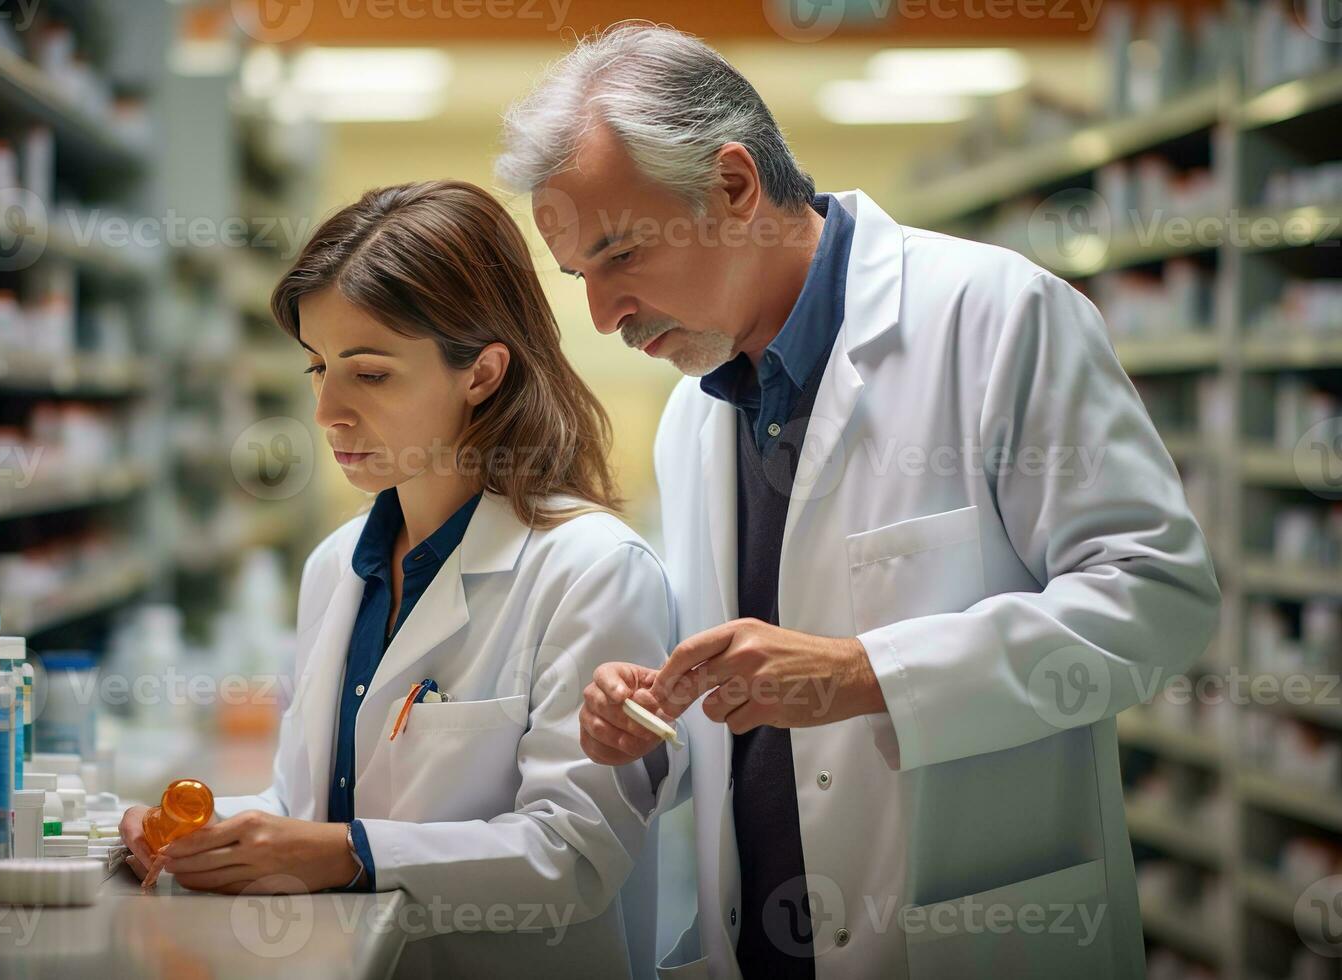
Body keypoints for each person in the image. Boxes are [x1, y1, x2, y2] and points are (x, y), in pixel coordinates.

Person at [498, 23, 1221, 979]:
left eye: (622, 254)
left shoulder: (995, 317)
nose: (604, 313)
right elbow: (749, 702)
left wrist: (869, 673)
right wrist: (646, 718)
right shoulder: (694, 414)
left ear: (733, 186)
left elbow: (1158, 603)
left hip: (972, 942)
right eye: (580, 275)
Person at [118, 179, 675, 978]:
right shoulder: (335, 568)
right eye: (317, 368)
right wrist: (188, 835)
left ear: (481, 373)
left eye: (369, 374)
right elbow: (308, 814)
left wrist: (346, 853)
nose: (327, 413)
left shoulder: (592, 571)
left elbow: (575, 855)